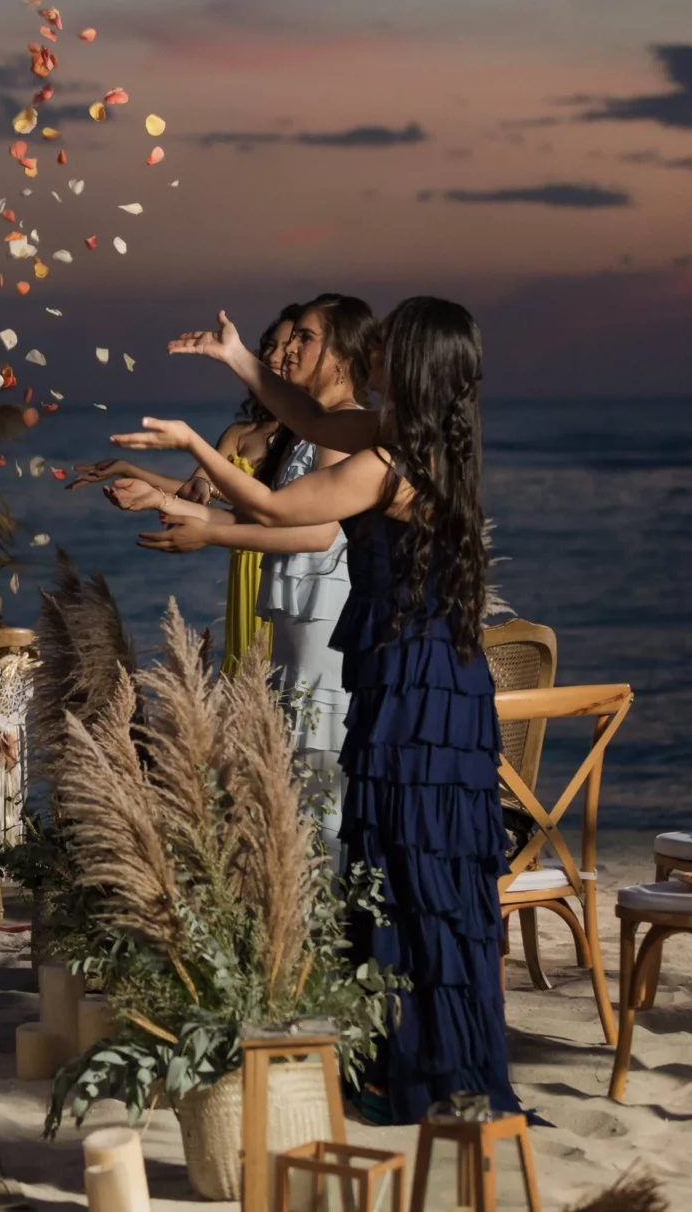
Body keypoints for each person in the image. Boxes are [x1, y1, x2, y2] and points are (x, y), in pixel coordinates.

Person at [112, 297, 519, 1122]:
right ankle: (417, 1061)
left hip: (421, 692)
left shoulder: (390, 459)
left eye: (391, 346)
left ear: (411, 363)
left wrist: (194, 446)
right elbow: (305, 418)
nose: (375, 357)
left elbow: (279, 509)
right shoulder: (404, 436)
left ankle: (442, 1072)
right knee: (405, 872)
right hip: (417, 681)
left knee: (419, 873)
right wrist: (236, 359)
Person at [112, 294, 377, 841]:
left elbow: (317, 532)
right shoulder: (315, 427)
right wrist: (169, 502)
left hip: (322, 620)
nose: (288, 349)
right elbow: (258, 509)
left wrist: (209, 531)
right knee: (292, 778)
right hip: (295, 624)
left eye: (306, 338)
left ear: (343, 356)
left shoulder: (344, 426)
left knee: (317, 785)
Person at [72, 308, 300, 672]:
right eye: (270, 345)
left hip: (283, 562)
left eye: (289, 346)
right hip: (243, 565)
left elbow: (266, 508)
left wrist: (206, 527)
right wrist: (133, 471)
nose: (275, 356)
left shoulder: (308, 438)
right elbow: (197, 492)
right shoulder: (239, 435)